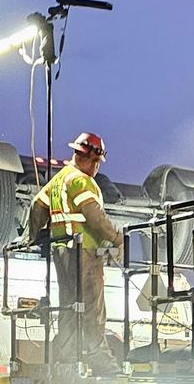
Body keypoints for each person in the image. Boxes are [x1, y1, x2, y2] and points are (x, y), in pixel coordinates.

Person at [27, 131, 123, 367]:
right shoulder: (80, 180)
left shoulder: (60, 179)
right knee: (92, 306)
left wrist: (32, 236)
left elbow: (36, 207)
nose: (97, 169)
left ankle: (66, 356)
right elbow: (93, 215)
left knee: (69, 306)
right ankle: (98, 358)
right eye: (97, 163)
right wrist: (117, 239)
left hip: (62, 251)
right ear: (89, 158)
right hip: (85, 252)